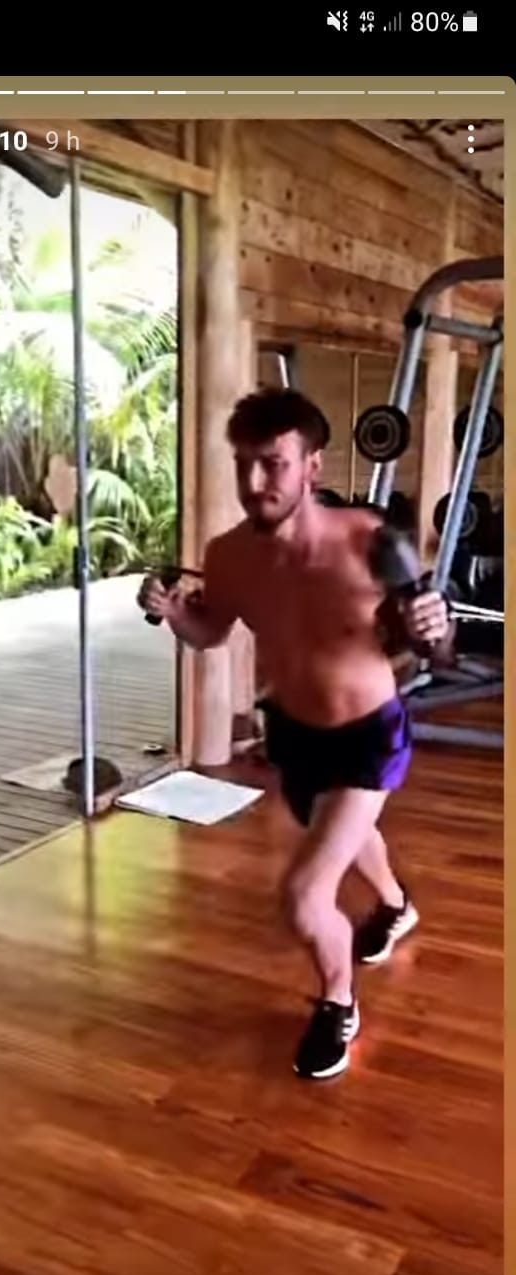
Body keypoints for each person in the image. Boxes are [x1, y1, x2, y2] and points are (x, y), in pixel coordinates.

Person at [137, 389, 453, 1080]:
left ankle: (338, 1001)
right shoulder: (228, 556)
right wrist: (175, 614)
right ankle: (395, 904)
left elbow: (436, 648)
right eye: (243, 464)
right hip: (295, 737)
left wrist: (434, 629)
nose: (255, 482)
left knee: (305, 894)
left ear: (312, 465)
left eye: (273, 463)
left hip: (369, 737)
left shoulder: (371, 540)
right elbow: (209, 632)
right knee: (345, 831)